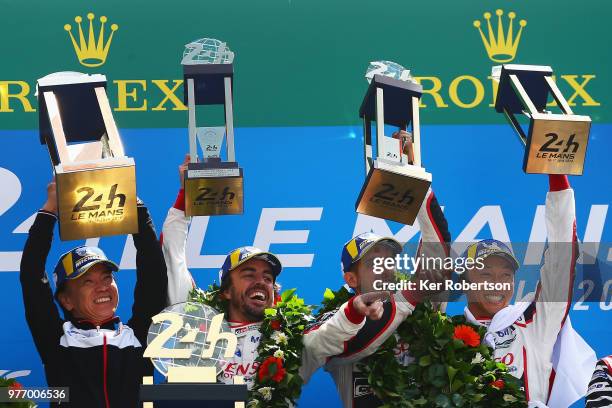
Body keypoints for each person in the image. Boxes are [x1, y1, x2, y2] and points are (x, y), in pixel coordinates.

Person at [163, 156, 381, 389]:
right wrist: (187, 194)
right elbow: (172, 256)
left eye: (268, 278)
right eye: (249, 274)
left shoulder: (292, 341)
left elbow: (328, 335)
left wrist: (355, 311)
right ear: (226, 290)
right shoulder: (197, 325)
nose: (260, 282)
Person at [20, 179, 168, 408]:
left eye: (107, 278)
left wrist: (134, 206)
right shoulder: (57, 339)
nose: (102, 286)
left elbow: (153, 275)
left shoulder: (138, 335)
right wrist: (49, 211)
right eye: (87, 281)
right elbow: (31, 277)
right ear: (66, 300)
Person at [300, 185, 451, 408]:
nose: (385, 269)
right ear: (351, 279)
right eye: (373, 263)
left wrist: (419, 187)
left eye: (389, 261)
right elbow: (314, 345)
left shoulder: (420, 306)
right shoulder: (339, 319)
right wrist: (356, 313)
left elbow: (437, 250)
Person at [462, 175, 595, 407]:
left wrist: (557, 174)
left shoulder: (533, 324)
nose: (498, 283)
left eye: (506, 275)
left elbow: (561, 262)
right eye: (486, 274)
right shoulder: (443, 335)